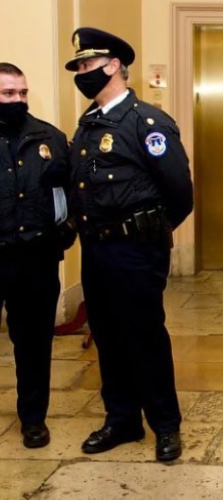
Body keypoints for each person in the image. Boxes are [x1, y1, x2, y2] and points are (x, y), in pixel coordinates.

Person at [64, 28, 194, 462]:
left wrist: (148, 230)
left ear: (114, 65)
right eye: (79, 67)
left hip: (136, 252)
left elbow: (179, 191)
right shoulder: (88, 125)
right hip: (97, 251)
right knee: (107, 336)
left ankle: (165, 425)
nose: (81, 73)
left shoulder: (146, 121)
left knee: (144, 338)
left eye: (87, 65)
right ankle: (121, 420)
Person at [0, 62, 71, 449]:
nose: (18, 100)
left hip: (36, 261)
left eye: (23, 93)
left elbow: (70, 192)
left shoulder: (50, 138)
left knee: (33, 343)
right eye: (8, 94)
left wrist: (66, 232)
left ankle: (33, 418)